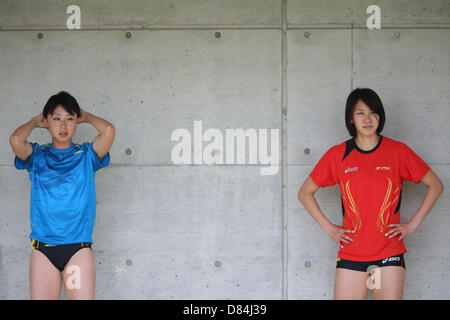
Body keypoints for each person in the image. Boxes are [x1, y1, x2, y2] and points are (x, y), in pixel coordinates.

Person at [297, 88, 444, 300]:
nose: (367, 119)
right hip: (351, 256)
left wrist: (411, 224)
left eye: (373, 112)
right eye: (360, 113)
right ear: (351, 119)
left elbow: (435, 185)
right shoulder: (338, 155)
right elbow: (305, 193)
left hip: (388, 256)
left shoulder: (397, 152)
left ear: (380, 116)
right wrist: (329, 229)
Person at [9, 91, 115, 299]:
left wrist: (88, 116)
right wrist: (33, 122)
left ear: (77, 121)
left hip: (77, 249)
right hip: (43, 249)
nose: (63, 126)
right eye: (56, 119)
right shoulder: (36, 155)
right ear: (47, 121)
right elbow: (15, 139)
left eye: (69, 119)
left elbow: (109, 130)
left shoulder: (87, 156)